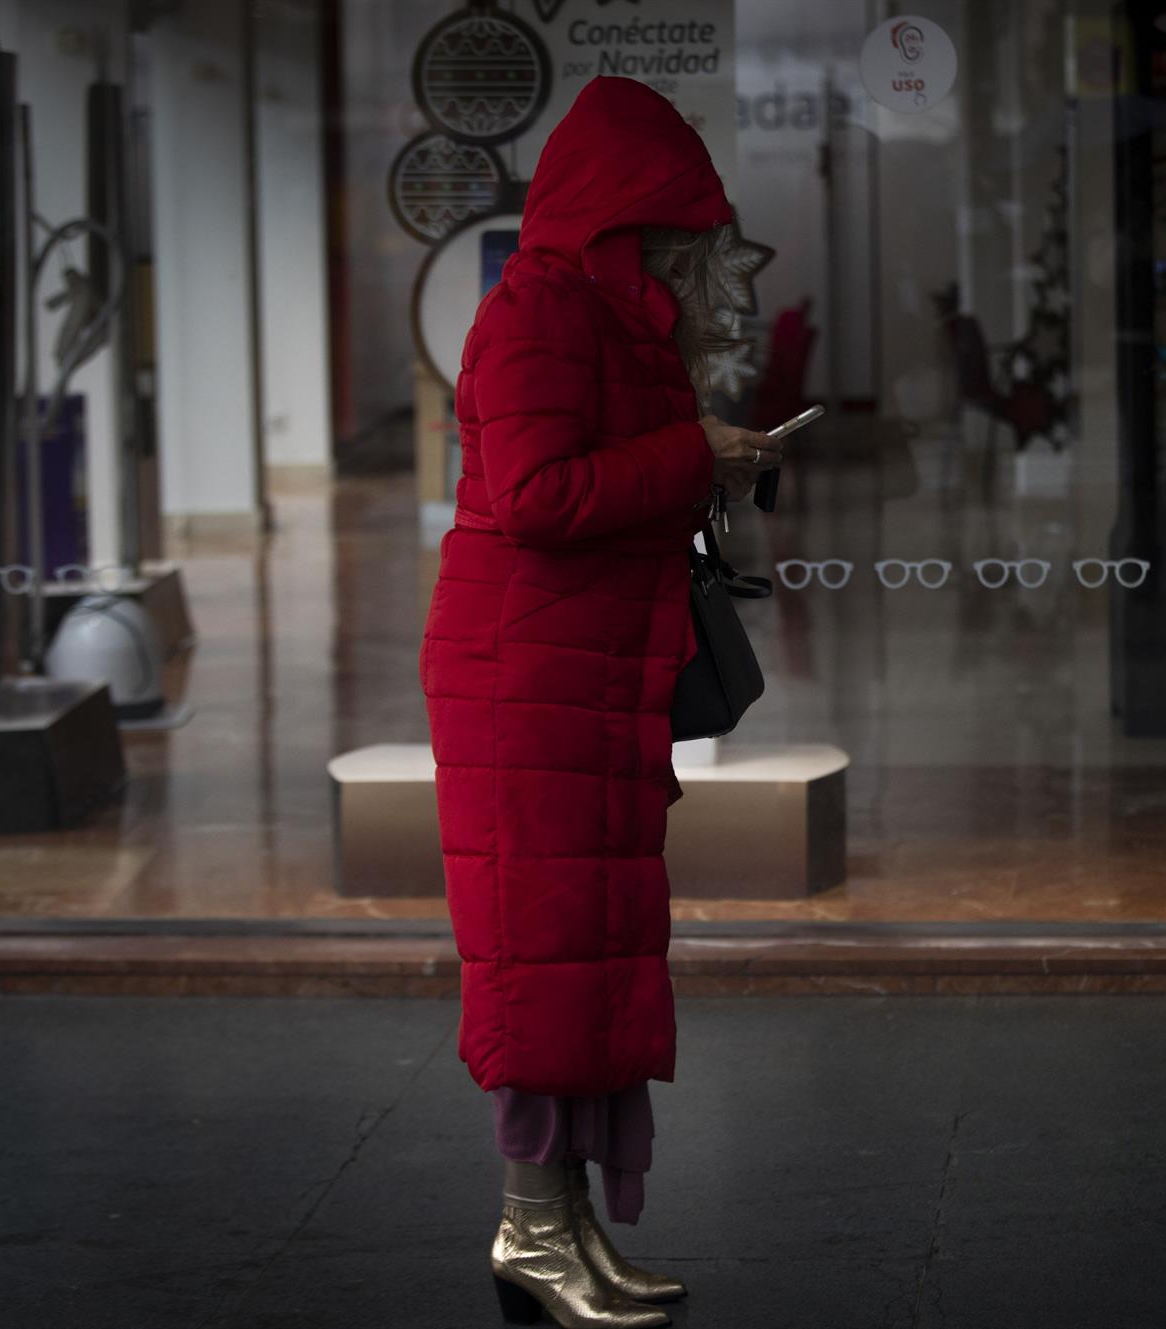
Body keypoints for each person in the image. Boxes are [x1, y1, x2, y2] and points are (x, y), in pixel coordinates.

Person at [419, 77, 784, 1328]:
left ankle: (565, 1223)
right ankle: (530, 1227)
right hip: (528, 682)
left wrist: (707, 452)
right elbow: (536, 498)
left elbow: (597, 480)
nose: (694, 268)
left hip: (585, 677)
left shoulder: (608, 322)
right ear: (627, 227)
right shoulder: (536, 315)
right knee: (544, 960)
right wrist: (698, 452)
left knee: (591, 952)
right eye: (677, 239)